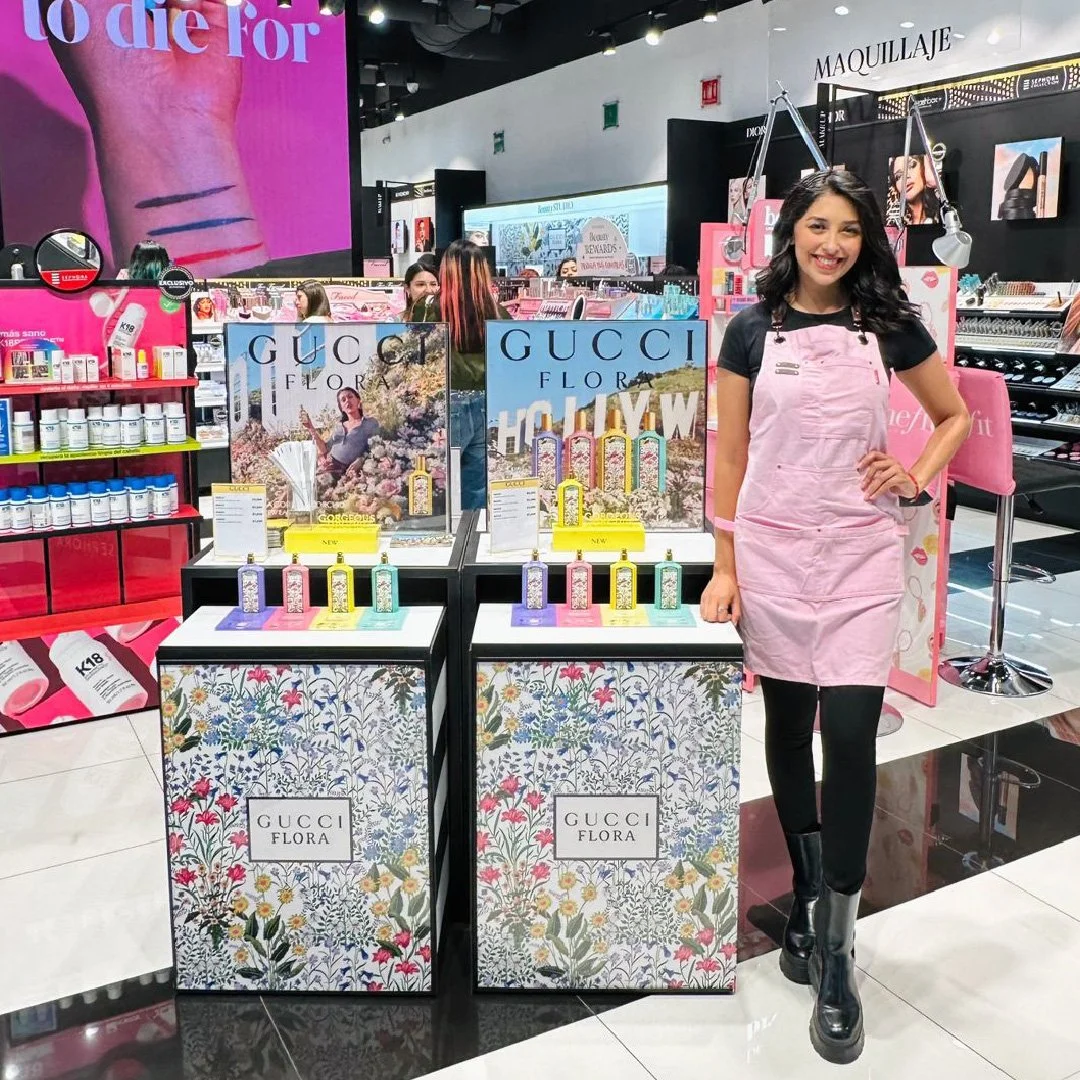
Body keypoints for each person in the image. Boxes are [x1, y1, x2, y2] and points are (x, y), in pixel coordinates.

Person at [700, 170, 970, 1065]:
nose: (832, 244)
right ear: (792, 233)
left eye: (848, 230)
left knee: (849, 736)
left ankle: (840, 951)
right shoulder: (750, 329)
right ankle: (810, 897)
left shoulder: (886, 323)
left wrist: (915, 473)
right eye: (817, 226)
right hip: (773, 550)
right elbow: (730, 453)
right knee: (786, 724)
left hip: (859, 552)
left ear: (866, 240)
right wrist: (726, 564)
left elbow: (952, 414)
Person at [412, 240, 509, 509]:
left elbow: (417, 354)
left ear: (447, 270)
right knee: (475, 484)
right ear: (482, 270)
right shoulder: (497, 312)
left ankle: (439, 531)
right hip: (486, 402)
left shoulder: (428, 308)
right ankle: (473, 530)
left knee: (434, 480)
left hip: (446, 402)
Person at [300, 388, 379, 477]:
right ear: (341, 407)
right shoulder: (339, 426)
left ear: (358, 400)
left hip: (349, 471)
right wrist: (310, 427)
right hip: (330, 467)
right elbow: (324, 449)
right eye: (343, 400)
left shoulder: (370, 423)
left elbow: (377, 447)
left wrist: (361, 460)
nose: (347, 401)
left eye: (350, 397)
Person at [887, 155, 943, 226]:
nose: (905, 177)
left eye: (912, 165)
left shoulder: (942, 214)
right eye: (898, 176)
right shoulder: (895, 225)